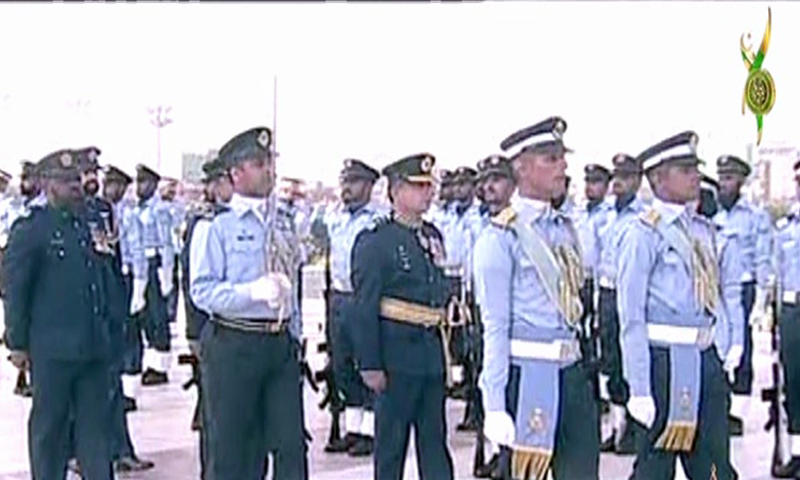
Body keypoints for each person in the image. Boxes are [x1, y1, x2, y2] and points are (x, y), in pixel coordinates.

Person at [476, 116, 599, 480]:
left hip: (572, 374)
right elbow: (494, 327)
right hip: (527, 376)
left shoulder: (566, 229)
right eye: (550, 158)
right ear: (521, 168)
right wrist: (494, 403)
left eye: (562, 157)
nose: (562, 166)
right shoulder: (499, 238)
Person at [617, 131, 740, 480]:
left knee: (715, 466)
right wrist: (638, 385)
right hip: (662, 362)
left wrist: (725, 347)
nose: (695, 176)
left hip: (704, 360)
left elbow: (717, 299)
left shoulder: (704, 231)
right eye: (684, 169)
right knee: (655, 469)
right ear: (658, 178)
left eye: (694, 168)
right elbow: (631, 315)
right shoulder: (642, 234)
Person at [190, 126, 307, 480]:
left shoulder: (282, 222)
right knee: (234, 452)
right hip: (234, 345)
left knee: (291, 447)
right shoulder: (215, 226)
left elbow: (294, 285)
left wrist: (295, 334)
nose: (269, 169)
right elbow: (203, 291)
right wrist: (251, 292)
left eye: (270, 161)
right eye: (259, 163)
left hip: (278, 345)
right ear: (236, 173)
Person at [3, 148, 117, 480]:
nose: (76, 186)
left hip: (93, 348)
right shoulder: (32, 229)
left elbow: (103, 282)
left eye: (77, 179)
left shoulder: (88, 225)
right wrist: (17, 342)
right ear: (49, 185)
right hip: (53, 350)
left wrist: (112, 329)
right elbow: (16, 289)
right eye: (67, 181)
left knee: (95, 433)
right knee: (50, 432)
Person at [351, 152, 455, 480]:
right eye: (418, 186)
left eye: (429, 185)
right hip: (396, 358)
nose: (428, 192)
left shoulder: (433, 237)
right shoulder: (377, 240)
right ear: (395, 191)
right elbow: (364, 306)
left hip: (430, 357)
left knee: (435, 444)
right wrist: (370, 363)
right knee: (391, 447)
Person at [321, 158, 383, 456]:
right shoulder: (334, 217)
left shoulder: (378, 220)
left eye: (354, 182)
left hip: (364, 298)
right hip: (339, 298)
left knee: (367, 361)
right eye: (344, 181)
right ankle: (354, 427)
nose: (347, 188)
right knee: (342, 364)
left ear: (369, 186)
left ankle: (371, 431)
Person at [713, 154, 773, 436]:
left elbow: (763, 258)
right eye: (721, 177)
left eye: (729, 178)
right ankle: (720, 404)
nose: (724, 184)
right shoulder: (711, 214)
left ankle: (737, 412)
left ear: (741, 181)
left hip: (745, 286)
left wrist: (761, 299)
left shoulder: (755, 216)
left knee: (744, 347)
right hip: (717, 288)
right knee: (719, 343)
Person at [596, 153, 648, 455]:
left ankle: (634, 428)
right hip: (606, 293)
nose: (618, 183)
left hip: (630, 294)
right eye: (616, 176)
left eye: (626, 177)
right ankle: (617, 427)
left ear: (638, 181)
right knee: (610, 360)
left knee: (632, 358)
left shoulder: (643, 217)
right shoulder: (606, 216)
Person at [472, 153, 516, 480]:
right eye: (484, 181)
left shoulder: (520, 227)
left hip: (512, 326)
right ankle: (489, 451)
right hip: (479, 313)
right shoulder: (479, 222)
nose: (489, 188)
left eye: (497, 180)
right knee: (481, 382)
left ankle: (507, 458)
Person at [770, 159, 800, 478]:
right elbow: (777, 276)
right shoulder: (786, 228)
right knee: (795, 382)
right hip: (794, 311)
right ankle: (797, 453)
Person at [132, 164, 174, 386]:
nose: (140, 187)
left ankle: (161, 365)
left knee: (158, 315)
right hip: (142, 264)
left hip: (155, 264)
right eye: (138, 182)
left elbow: (166, 243)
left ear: (154, 185)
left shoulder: (160, 210)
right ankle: (153, 360)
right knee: (146, 314)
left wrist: (166, 274)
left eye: (144, 182)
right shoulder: (139, 209)